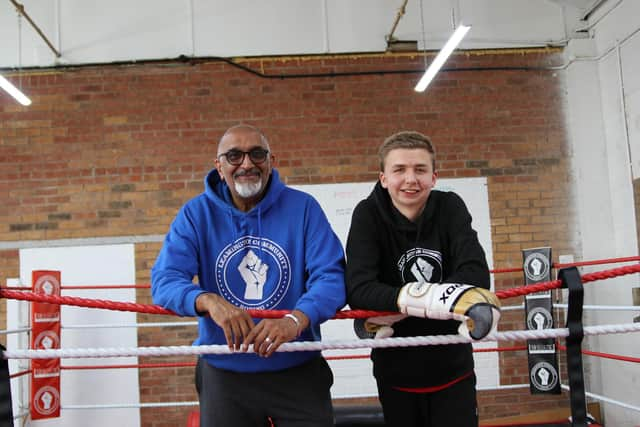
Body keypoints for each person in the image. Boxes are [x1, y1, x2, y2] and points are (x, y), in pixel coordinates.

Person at [151, 124, 346, 427]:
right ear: (219, 165)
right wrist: (208, 300)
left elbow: (332, 277)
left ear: (271, 160)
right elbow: (165, 280)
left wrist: (295, 320)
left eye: (257, 154)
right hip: (224, 373)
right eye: (234, 156)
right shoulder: (195, 214)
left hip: (298, 367)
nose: (246, 164)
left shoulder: (303, 208)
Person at [345, 130, 500, 427]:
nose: (410, 179)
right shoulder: (367, 214)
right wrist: (449, 301)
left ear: (434, 177)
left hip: (453, 367)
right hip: (395, 372)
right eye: (399, 170)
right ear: (383, 178)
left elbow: (477, 276)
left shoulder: (450, 206)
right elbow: (360, 290)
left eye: (420, 170)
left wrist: (395, 305)